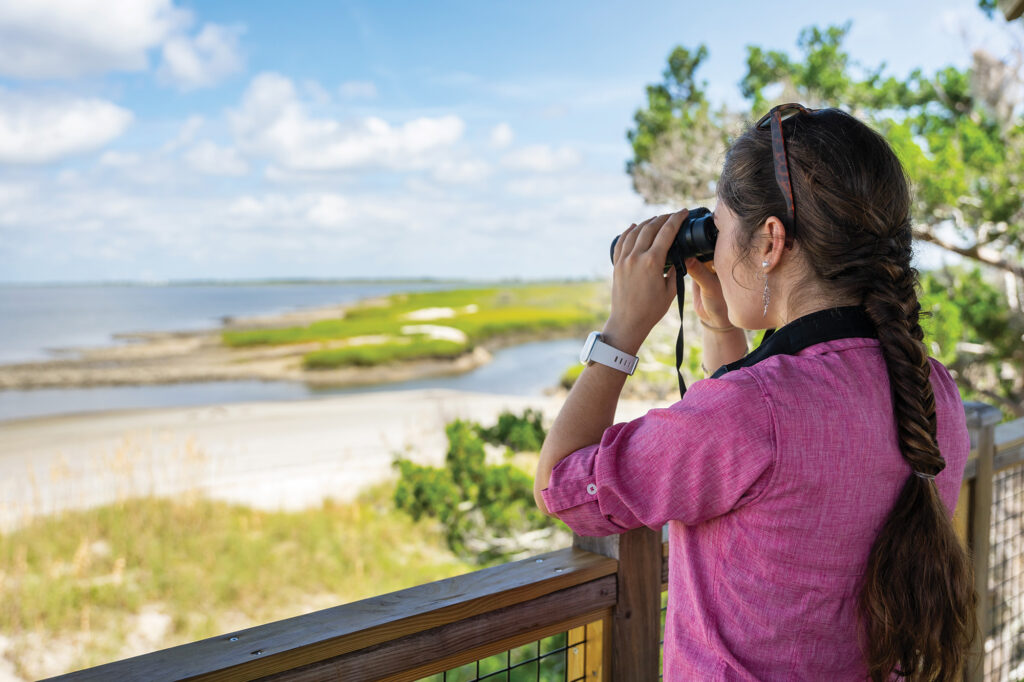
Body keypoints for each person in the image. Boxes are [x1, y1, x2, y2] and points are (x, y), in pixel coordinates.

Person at [533, 105, 976, 681]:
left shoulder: (750, 412)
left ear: (770, 241)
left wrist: (622, 331)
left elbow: (566, 487)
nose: (714, 251)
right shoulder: (929, 387)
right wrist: (721, 323)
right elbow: (758, 451)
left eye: (719, 230)